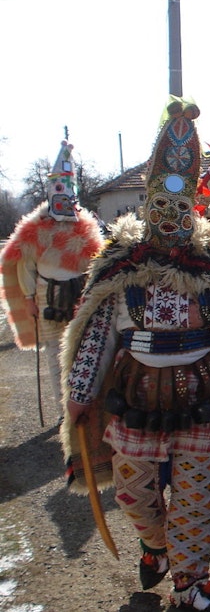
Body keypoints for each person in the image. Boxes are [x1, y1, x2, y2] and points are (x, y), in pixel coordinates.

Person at [60, 97, 210, 611]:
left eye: (177, 210)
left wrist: (209, 310)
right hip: (135, 396)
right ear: (146, 207)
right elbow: (96, 335)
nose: (168, 220)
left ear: (190, 209)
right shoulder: (120, 265)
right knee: (134, 493)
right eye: (159, 209)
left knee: (196, 498)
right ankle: (155, 543)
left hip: (203, 394)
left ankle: (191, 583)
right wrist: (79, 397)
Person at [0, 140, 103, 424]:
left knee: (83, 350)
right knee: (54, 353)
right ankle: (63, 413)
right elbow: (25, 265)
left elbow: (96, 262)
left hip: (80, 295)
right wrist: (29, 298)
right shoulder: (37, 226)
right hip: (47, 295)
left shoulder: (85, 226)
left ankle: (82, 403)